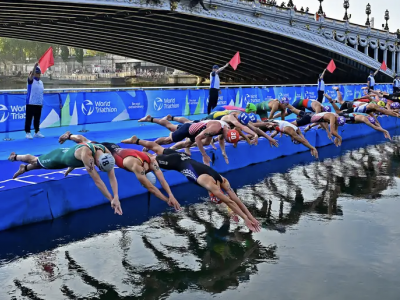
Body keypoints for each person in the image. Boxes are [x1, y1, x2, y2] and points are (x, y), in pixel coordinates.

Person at [122, 136, 261, 232]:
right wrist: (246, 220)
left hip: (182, 157)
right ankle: (138, 157)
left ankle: (137, 140)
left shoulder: (223, 180)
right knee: (152, 160)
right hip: (176, 163)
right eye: (213, 196)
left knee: (156, 147)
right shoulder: (211, 186)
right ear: (213, 193)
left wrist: (251, 217)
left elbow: (236, 200)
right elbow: (230, 202)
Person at [58, 132, 181, 211]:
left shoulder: (151, 160)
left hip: (115, 147)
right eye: (143, 182)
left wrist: (171, 195)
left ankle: (71, 146)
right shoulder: (135, 167)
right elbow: (151, 188)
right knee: (83, 142)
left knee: (85, 140)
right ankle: (69, 136)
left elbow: (162, 179)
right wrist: (167, 200)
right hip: (106, 152)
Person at [8, 142, 122, 215]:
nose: (100, 170)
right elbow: (98, 181)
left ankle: (25, 169)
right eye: (100, 168)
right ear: (97, 162)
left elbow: (112, 176)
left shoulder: (106, 153)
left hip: (71, 160)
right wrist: (111, 199)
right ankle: (16, 157)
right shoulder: (88, 158)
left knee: (42, 165)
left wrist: (116, 197)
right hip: (59, 157)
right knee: (36, 161)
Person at [324, 94, 391, 140]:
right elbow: (375, 126)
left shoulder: (367, 115)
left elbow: (376, 123)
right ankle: (331, 101)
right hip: (349, 112)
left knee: (337, 114)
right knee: (337, 114)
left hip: (350, 114)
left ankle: (332, 101)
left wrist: (384, 130)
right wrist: (385, 131)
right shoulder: (365, 118)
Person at [253, 120, 319, 159]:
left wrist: (311, 148)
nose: (292, 139)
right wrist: (313, 148)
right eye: (293, 140)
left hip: (272, 124)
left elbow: (304, 140)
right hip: (268, 124)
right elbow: (302, 141)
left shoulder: (297, 130)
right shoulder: (290, 132)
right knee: (254, 133)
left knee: (256, 132)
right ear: (293, 138)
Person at [25, 63, 45, 139]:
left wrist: (41, 102)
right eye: (37, 73)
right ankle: (28, 132)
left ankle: (37, 132)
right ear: (34, 74)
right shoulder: (31, 81)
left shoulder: (41, 82)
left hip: (38, 103)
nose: (39, 75)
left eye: (39, 73)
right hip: (30, 103)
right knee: (29, 119)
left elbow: (41, 93)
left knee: (37, 119)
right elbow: (31, 76)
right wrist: (34, 67)